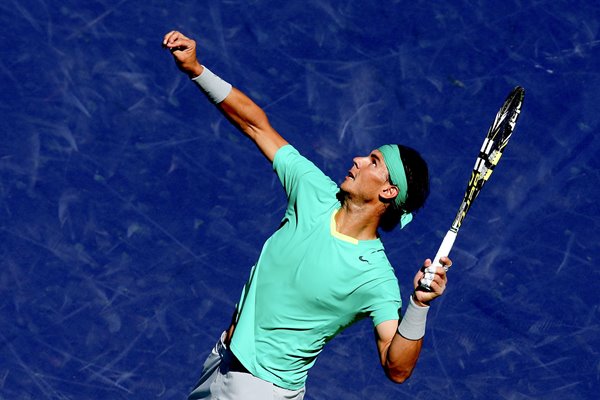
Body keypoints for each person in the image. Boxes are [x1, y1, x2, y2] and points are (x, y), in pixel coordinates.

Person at [163, 30, 451, 400]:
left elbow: (396, 368)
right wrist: (197, 69)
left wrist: (418, 305)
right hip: (220, 361)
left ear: (388, 191)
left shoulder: (374, 276)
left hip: (258, 392)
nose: (358, 160)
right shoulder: (315, 191)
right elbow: (256, 125)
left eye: (373, 162)